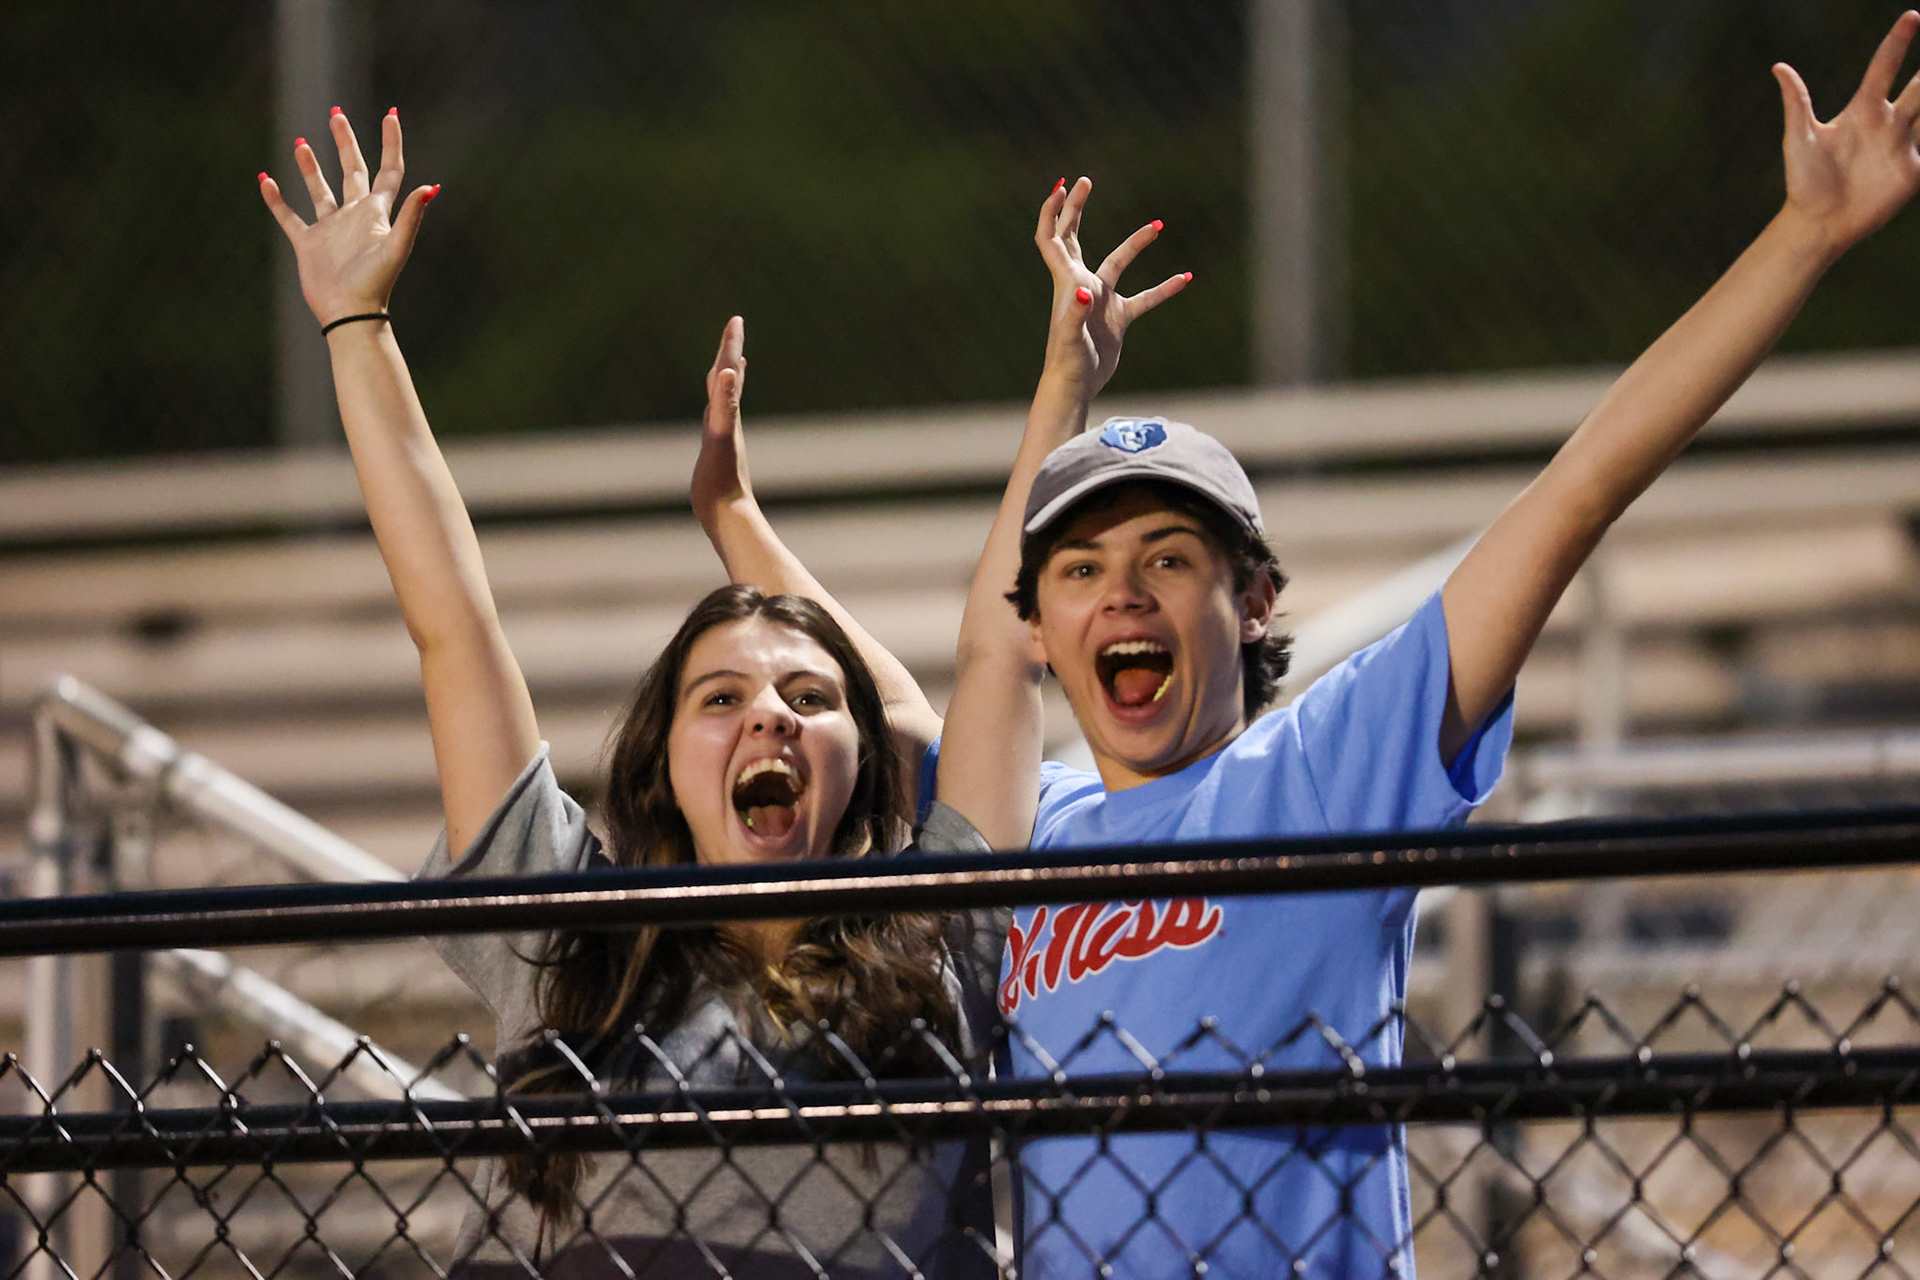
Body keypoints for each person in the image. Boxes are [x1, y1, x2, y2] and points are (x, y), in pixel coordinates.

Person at [927, 16, 1920, 1278]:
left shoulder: (1329, 766)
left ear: (1255, 602)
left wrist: (1805, 236)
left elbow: (1574, 494)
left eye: (1168, 559)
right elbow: (985, 658)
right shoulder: (1032, 826)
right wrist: (1065, 384)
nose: (1121, 595)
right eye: (1081, 570)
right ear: (1042, 622)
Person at [258, 108, 1016, 1278]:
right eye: (721, 698)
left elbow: (950, 701)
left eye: (810, 697)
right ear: (661, 759)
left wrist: (736, 525)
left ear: (860, 759)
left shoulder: (940, 941)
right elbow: (454, 625)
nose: (770, 713)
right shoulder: (570, 932)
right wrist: (357, 323)